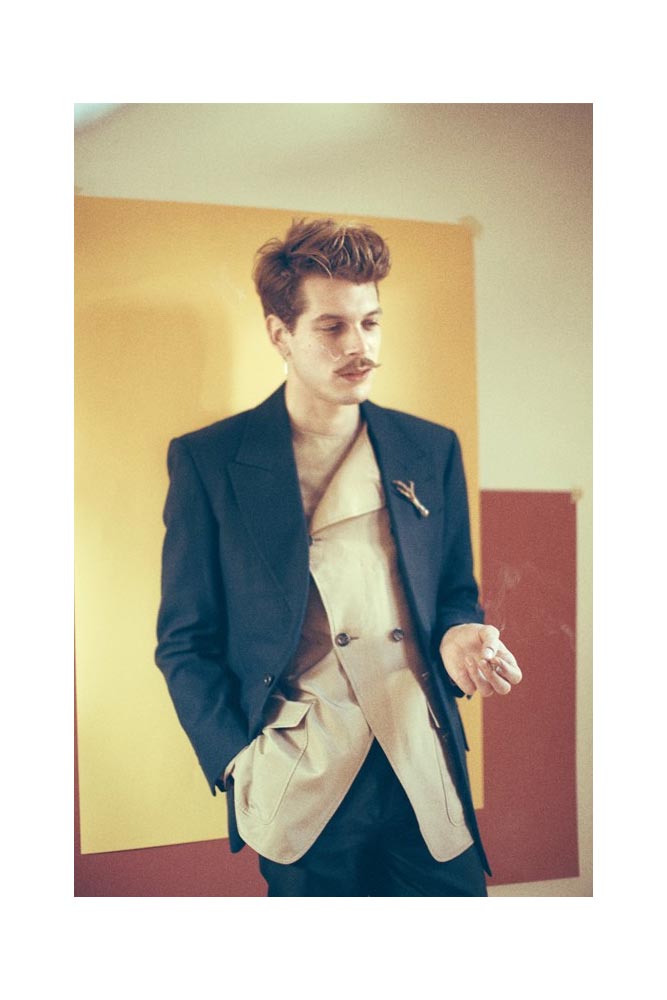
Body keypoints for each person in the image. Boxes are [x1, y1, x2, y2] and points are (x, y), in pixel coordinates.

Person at [155, 217, 522, 896]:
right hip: (301, 772)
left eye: (371, 323)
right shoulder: (210, 461)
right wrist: (236, 761)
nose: (360, 347)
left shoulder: (429, 448)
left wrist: (458, 637)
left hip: (419, 757)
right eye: (332, 327)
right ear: (280, 334)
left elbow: (452, 593)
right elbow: (185, 640)